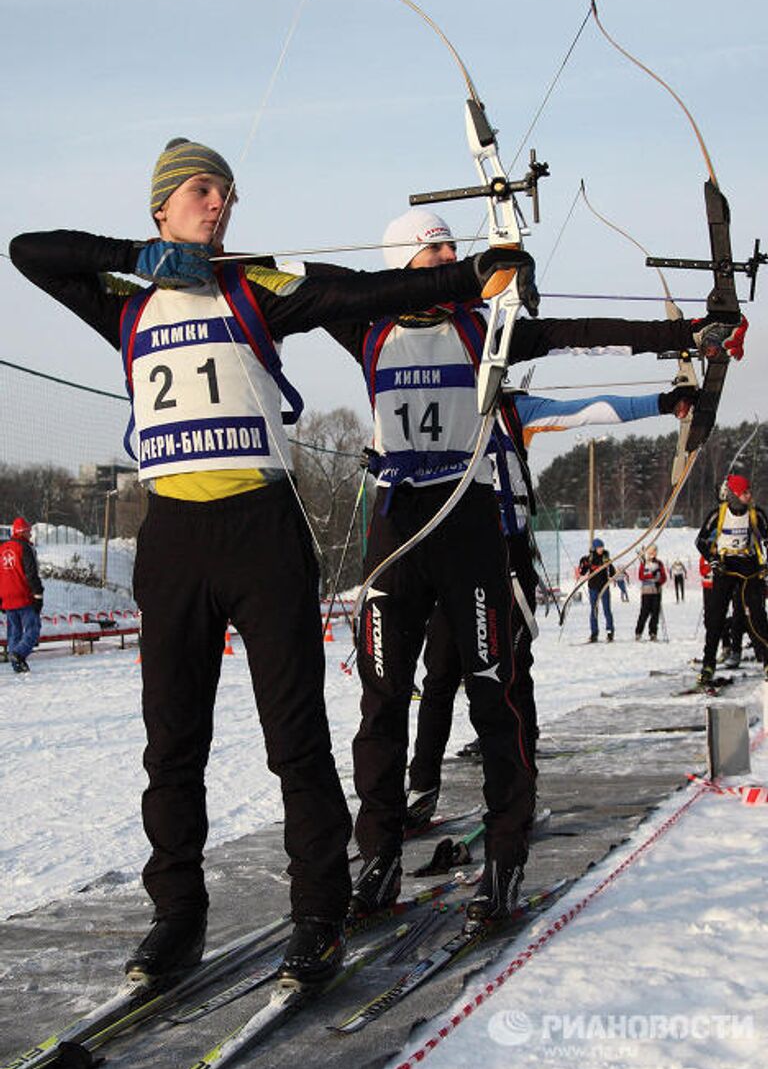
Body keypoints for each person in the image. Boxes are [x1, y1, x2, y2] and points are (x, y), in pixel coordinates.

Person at [9, 139, 532, 986]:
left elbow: (366, 290)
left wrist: (468, 276)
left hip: (262, 530)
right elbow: (29, 251)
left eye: (227, 195)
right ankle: (176, 915)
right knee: (171, 742)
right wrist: (140, 259)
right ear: (164, 206)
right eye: (203, 192)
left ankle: (319, 912)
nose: (220, 206)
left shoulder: (255, 286)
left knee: (295, 739)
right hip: (173, 535)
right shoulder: (127, 301)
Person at [316, 205, 739, 924]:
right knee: (383, 702)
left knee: (496, 692)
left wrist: (688, 337)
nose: (451, 254)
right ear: (399, 264)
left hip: (470, 527)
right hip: (397, 533)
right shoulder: (365, 324)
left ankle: (505, 857)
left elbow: (585, 335)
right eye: (433, 249)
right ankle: (380, 853)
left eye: (455, 244)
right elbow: (314, 284)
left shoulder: (489, 330)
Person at [406, 384, 695, 827]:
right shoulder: (437, 404)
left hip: (505, 554)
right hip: (454, 557)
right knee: (440, 671)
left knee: (511, 673)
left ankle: (520, 791)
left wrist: (662, 402)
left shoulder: (513, 410)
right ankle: (421, 788)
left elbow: (589, 409)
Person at [695, 473, 768, 688]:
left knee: (756, 615)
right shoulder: (719, 514)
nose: (749, 495)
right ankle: (709, 664)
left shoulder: (756, 514)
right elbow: (700, 541)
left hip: (748, 566)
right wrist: (713, 559)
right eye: (745, 492)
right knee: (715, 619)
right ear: (735, 494)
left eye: (749, 491)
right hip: (725, 566)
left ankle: (766, 659)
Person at [0, 518, 44, 673]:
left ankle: (16, 664)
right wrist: (38, 595)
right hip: (23, 596)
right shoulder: (25, 548)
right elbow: (31, 573)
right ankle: (19, 654)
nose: (30, 535)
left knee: (14, 632)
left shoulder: (3, 548)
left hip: (6, 597)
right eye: (28, 531)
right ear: (22, 532)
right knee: (33, 629)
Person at [579, 539, 616, 642]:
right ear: (595, 548)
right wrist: (583, 564)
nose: (601, 549)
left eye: (602, 547)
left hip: (604, 586)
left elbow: (612, 571)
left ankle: (610, 632)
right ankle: (594, 633)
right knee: (594, 610)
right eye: (599, 547)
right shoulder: (589, 559)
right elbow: (583, 572)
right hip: (593, 587)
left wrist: (613, 575)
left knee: (607, 610)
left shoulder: (605, 558)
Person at [635, 544, 667, 640]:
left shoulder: (659, 563)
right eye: (651, 552)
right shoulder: (644, 563)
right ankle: (638, 632)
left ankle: (653, 633)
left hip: (656, 592)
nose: (653, 553)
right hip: (646, 592)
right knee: (644, 613)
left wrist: (659, 582)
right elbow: (641, 576)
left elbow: (664, 577)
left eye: (654, 551)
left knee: (655, 613)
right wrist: (651, 575)